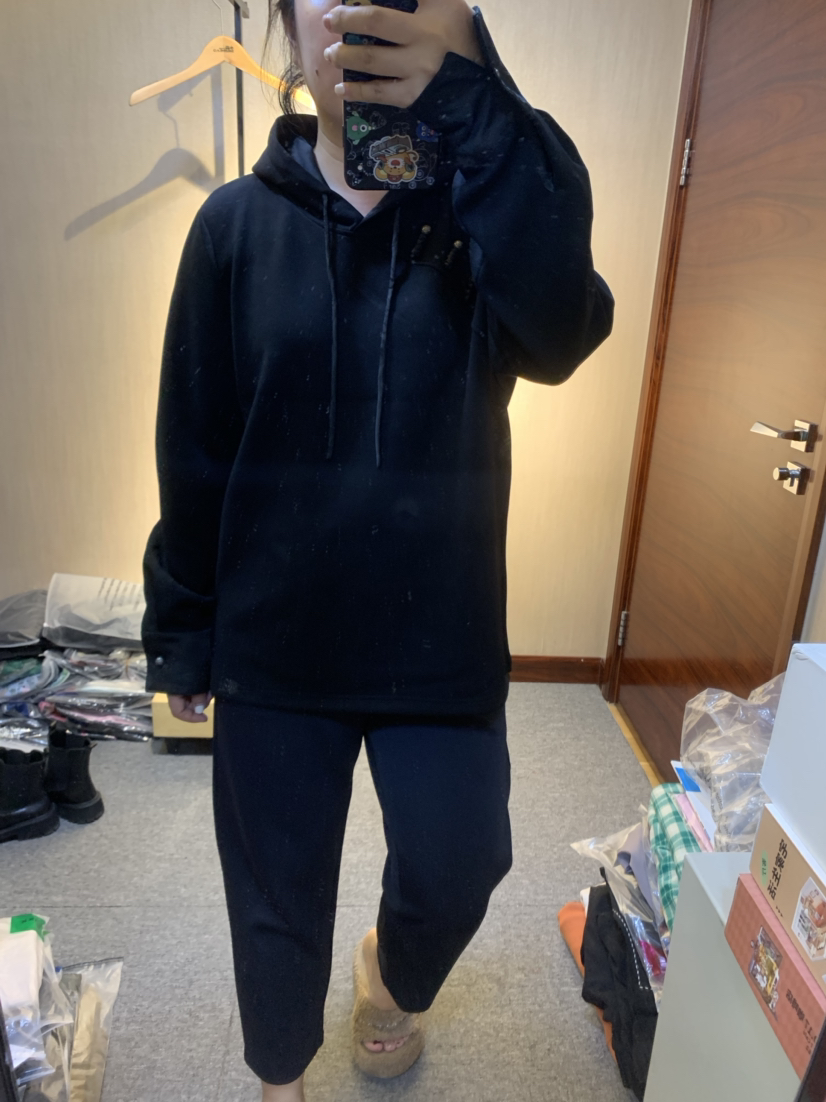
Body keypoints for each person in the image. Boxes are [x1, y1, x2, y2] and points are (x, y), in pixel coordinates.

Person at [140, 1, 614, 1099]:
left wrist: (475, 103)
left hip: (437, 631)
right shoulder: (232, 227)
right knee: (273, 895)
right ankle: (280, 1075)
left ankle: (388, 975)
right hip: (274, 640)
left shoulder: (484, 205)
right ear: (285, 22)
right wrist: (183, 628)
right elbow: (194, 444)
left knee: (461, 863)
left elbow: (562, 333)